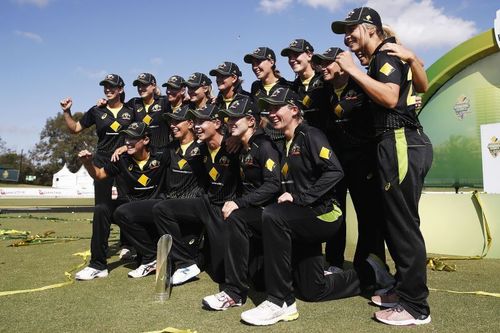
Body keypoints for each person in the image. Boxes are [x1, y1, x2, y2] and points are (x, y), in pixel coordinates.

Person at [332, 6, 433, 325]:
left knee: (403, 226)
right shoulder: (385, 55)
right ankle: (405, 290)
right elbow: (423, 86)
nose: (346, 35)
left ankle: (416, 306)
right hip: (397, 143)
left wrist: (354, 71)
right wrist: (414, 58)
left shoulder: (383, 57)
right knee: (396, 222)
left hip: (400, 141)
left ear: (370, 28)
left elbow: (390, 98)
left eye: (351, 28)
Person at [240, 88, 367, 326]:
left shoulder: (310, 134)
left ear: (295, 110)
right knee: (313, 290)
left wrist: (300, 198)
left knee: (273, 216)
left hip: (325, 214)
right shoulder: (283, 143)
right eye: (269, 108)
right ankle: (369, 275)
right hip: (300, 218)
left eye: (277, 107)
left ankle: (281, 302)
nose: (271, 113)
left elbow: (335, 171)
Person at [312, 47, 387, 287]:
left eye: (328, 63)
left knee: (368, 216)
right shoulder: (321, 92)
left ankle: (370, 267)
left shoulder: (360, 85)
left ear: (343, 65)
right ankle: (334, 261)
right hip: (334, 164)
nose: (323, 68)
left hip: (363, 162)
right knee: (337, 214)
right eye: (320, 64)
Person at [202, 96, 281, 310]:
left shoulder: (264, 146)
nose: (230, 123)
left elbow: (273, 185)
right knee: (260, 282)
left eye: (236, 118)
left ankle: (234, 293)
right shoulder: (243, 146)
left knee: (235, 218)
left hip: (270, 212)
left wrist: (239, 203)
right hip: (254, 212)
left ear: (251, 120)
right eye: (228, 119)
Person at [113, 106, 207, 278]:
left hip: (192, 206)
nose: (173, 125)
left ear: (191, 123)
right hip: (167, 204)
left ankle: (185, 263)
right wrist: (127, 148)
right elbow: (146, 154)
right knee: (123, 212)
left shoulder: (204, 148)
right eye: (171, 121)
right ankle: (152, 258)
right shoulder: (168, 149)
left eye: (178, 121)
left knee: (198, 256)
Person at [153, 104, 240, 285]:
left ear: (217, 123)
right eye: (196, 121)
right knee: (161, 209)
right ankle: (185, 263)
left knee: (220, 275)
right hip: (206, 204)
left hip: (228, 209)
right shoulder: (200, 150)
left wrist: (236, 138)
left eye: (202, 121)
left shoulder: (233, 147)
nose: (197, 126)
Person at [75, 122, 167, 280]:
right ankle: (98, 265)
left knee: (123, 212)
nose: (127, 141)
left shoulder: (162, 155)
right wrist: (88, 163)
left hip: (155, 208)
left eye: (133, 138)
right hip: (131, 207)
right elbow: (99, 175)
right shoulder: (121, 159)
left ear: (145, 140)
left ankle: (150, 257)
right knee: (101, 209)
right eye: (126, 137)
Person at [60, 74, 134, 205]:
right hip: (102, 161)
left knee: (128, 204)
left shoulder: (131, 110)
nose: (107, 89)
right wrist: (67, 111)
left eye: (111, 86)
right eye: (105, 86)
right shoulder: (96, 111)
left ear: (120, 89)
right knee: (101, 206)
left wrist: (127, 148)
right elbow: (75, 129)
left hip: (125, 159)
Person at [243, 46, 293, 143]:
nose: (254, 67)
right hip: (261, 142)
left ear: (271, 62)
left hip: (282, 142)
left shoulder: (287, 87)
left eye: (258, 62)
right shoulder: (255, 87)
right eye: (253, 64)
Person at [280, 39, 324, 129]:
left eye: (296, 55)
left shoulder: (325, 80)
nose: (292, 60)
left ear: (309, 55)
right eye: (289, 57)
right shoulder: (292, 88)